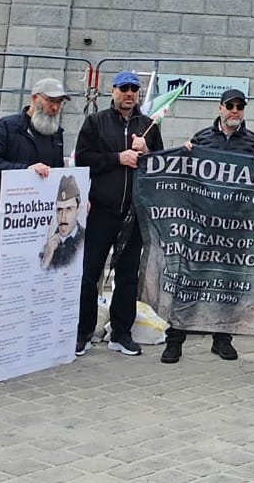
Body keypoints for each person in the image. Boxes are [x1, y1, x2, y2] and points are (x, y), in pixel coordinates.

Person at [162, 88, 254, 364]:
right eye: (230, 106)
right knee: (189, 280)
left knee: (229, 284)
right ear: (220, 108)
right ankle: (175, 339)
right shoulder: (201, 138)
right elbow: (184, 174)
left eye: (240, 107)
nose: (235, 111)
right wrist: (184, 153)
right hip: (201, 223)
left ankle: (222, 339)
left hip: (235, 224)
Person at [75, 71, 162, 356]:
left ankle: (121, 333)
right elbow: (83, 158)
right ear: (112, 91)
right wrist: (118, 158)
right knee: (90, 273)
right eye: (124, 88)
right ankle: (83, 331)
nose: (129, 94)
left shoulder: (148, 125)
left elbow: (159, 166)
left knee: (126, 276)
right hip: (101, 211)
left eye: (134, 90)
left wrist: (146, 150)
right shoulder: (96, 122)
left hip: (133, 214)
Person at [0, 78, 71, 301]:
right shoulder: (7, 127)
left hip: (40, 224)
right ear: (34, 98)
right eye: (50, 101)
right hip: (6, 221)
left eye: (59, 102)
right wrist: (25, 171)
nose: (55, 107)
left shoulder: (56, 135)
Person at [39, 174, 86, 271]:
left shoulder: (84, 239)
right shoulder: (47, 245)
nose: (63, 217)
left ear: (78, 209)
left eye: (69, 209)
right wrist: (47, 259)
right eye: (59, 209)